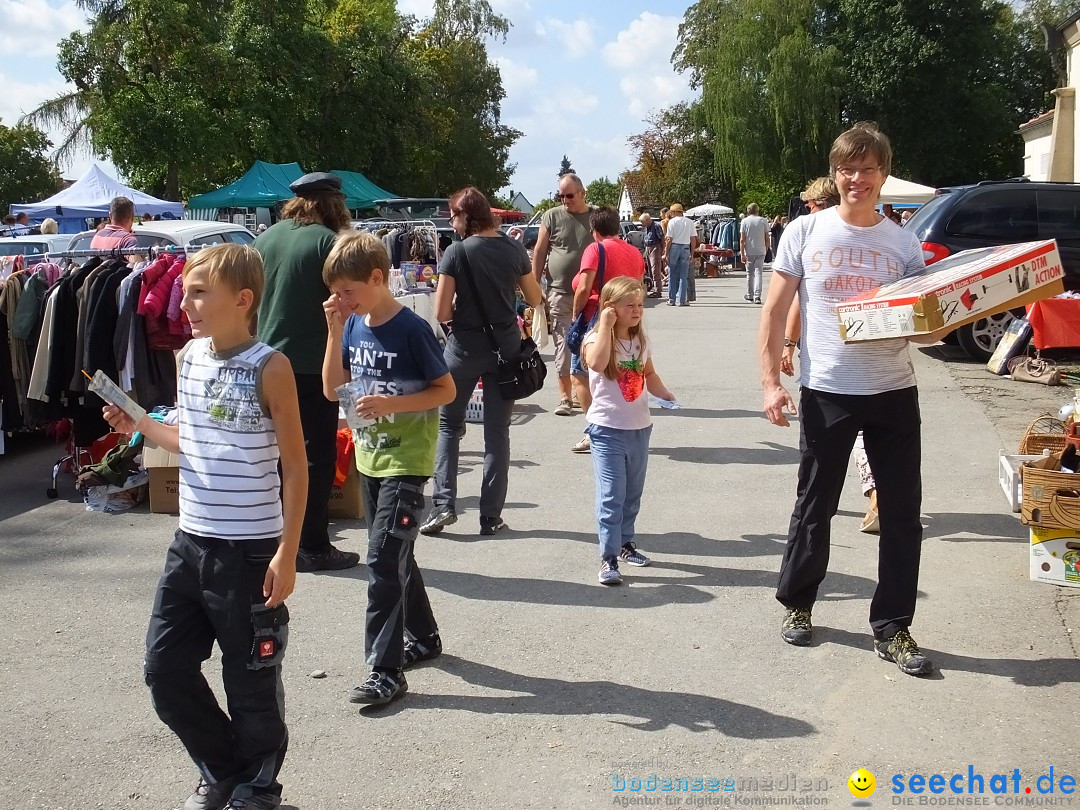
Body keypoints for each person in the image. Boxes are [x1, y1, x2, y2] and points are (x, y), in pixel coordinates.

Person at [103, 244, 308, 810]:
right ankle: (222, 768)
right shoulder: (188, 356)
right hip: (189, 544)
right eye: (187, 290)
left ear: (242, 301)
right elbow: (189, 442)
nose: (185, 302)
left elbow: (294, 463)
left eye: (198, 292)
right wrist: (139, 424)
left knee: (251, 683)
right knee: (164, 668)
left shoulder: (272, 366)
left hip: (249, 553)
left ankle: (258, 784)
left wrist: (287, 552)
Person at [759, 121, 945, 677]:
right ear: (834, 173)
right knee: (815, 505)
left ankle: (893, 627)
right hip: (827, 391)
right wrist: (771, 380)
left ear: (883, 174)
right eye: (847, 168)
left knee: (902, 514)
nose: (855, 178)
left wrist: (945, 317)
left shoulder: (902, 242)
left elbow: (928, 331)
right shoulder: (804, 232)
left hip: (892, 391)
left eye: (867, 168)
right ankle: (798, 603)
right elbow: (772, 312)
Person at [320, 231, 455, 706]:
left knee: (382, 558)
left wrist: (395, 401)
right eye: (334, 292)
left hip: (407, 460)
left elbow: (446, 391)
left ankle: (386, 669)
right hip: (369, 457)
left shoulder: (411, 329)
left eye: (346, 291)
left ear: (377, 278)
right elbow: (332, 390)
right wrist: (335, 331)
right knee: (397, 554)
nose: (338, 300)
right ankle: (426, 637)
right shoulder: (352, 325)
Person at [420, 187, 543, 536]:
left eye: (453, 216)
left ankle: (444, 505)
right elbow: (534, 297)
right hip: (504, 350)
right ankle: (490, 516)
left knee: (448, 426)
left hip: (461, 350)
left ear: (466, 216)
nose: (451, 223)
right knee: (497, 433)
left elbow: (441, 311)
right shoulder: (513, 248)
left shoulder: (456, 253)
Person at [255, 172, 360, 573]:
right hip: (313, 364)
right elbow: (347, 306)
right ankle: (312, 544)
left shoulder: (264, 239)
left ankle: (278, 537)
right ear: (332, 204)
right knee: (315, 454)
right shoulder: (328, 243)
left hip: (266, 360)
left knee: (276, 452)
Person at [778, 176, 879, 534]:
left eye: (812, 204)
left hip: (828, 358)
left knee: (824, 457)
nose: (807, 209)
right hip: (872, 355)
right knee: (866, 436)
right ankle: (875, 493)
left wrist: (789, 345)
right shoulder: (875, 234)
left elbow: (795, 306)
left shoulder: (811, 235)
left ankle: (865, 495)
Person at [582, 277, 676, 585]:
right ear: (610, 308)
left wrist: (664, 394)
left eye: (640, 305)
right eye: (630, 306)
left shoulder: (641, 341)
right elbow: (596, 364)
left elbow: (649, 373)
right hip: (607, 429)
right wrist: (607, 326)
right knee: (612, 496)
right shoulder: (595, 338)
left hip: (639, 428)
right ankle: (608, 558)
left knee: (632, 496)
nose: (637, 311)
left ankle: (625, 544)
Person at [569, 206, 646, 453]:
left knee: (580, 373)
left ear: (594, 230)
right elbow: (639, 285)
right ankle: (619, 426)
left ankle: (594, 430)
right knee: (617, 373)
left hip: (598, 318)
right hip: (628, 321)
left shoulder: (596, 249)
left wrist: (575, 316)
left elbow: (584, 287)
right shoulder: (634, 252)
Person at [531, 173, 595, 418]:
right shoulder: (552, 216)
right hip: (559, 291)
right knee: (564, 344)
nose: (565, 200)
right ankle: (565, 397)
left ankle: (583, 393)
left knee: (590, 344)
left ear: (582, 193)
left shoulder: (595, 215)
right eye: (561, 195)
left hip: (591, 292)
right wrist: (535, 284)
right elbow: (540, 250)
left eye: (569, 195)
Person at [662, 203, 696, 307]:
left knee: (672, 274)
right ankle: (682, 300)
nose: (671, 214)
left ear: (675, 212)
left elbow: (669, 239)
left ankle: (672, 299)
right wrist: (692, 253)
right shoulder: (690, 222)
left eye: (672, 212)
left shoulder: (672, 222)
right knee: (683, 275)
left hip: (675, 247)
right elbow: (693, 239)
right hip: (685, 247)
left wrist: (666, 253)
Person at [740, 203, 770, 304]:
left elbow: (742, 240)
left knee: (749, 274)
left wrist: (742, 253)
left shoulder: (744, 221)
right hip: (761, 250)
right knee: (759, 273)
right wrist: (766, 249)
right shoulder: (763, 221)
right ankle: (757, 296)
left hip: (749, 250)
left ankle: (749, 295)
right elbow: (767, 238)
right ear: (757, 210)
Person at [640, 214, 664, 298]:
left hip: (655, 247)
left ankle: (658, 291)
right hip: (648, 247)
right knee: (650, 269)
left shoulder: (656, 226)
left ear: (647, 220)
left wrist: (662, 250)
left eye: (643, 222)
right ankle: (654, 289)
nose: (642, 224)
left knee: (655, 269)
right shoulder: (646, 227)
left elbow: (662, 238)